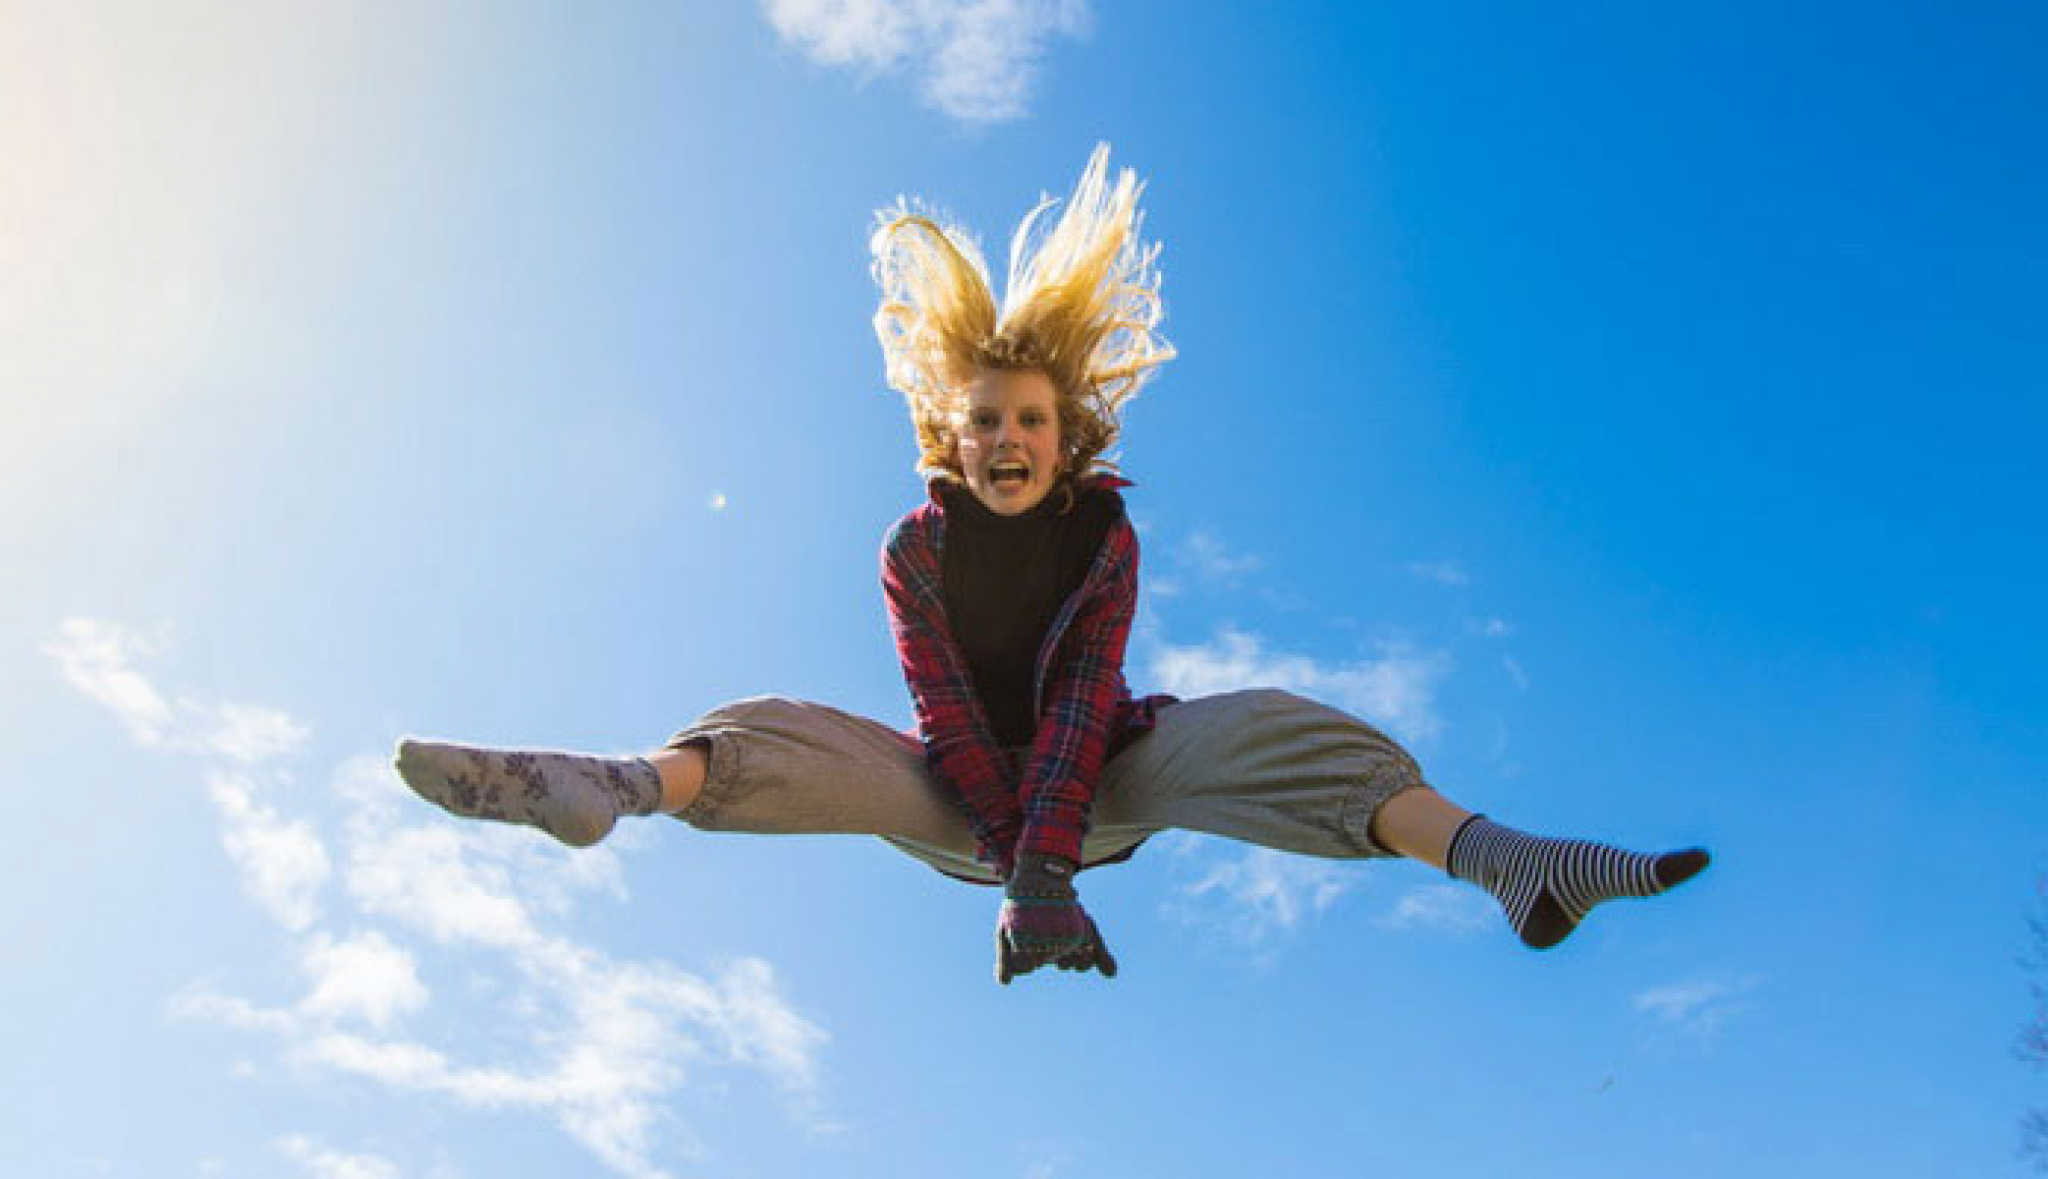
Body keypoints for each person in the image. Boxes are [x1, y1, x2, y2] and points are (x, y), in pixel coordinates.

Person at [395, 145, 1708, 984]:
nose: (1010, 440)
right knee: (788, 727)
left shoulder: (1101, 538)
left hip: (1101, 796)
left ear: (1065, 433)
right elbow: (948, 718)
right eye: (986, 423)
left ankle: (1503, 861)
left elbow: (1084, 706)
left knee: (1260, 726)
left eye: (1032, 421)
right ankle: (610, 784)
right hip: (960, 804)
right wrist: (1012, 863)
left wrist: (1051, 876)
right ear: (945, 439)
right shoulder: (915, 552)